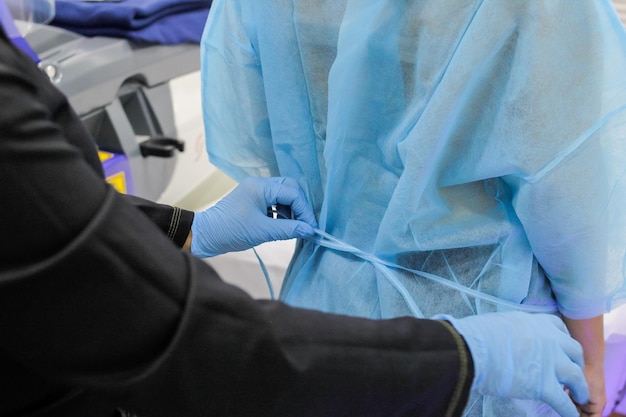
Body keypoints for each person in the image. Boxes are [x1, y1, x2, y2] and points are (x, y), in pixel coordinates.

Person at [0, 2, 591, 417]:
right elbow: (200, 349)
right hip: (474, 345)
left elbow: (39, 226)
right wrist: (481, 358)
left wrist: (185, 229)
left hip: (323, 317)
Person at [200, 1, 626, 416]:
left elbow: (259, 128)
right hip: (487, 351)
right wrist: (588, 359)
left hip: (322, 328)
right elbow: (567, 190)